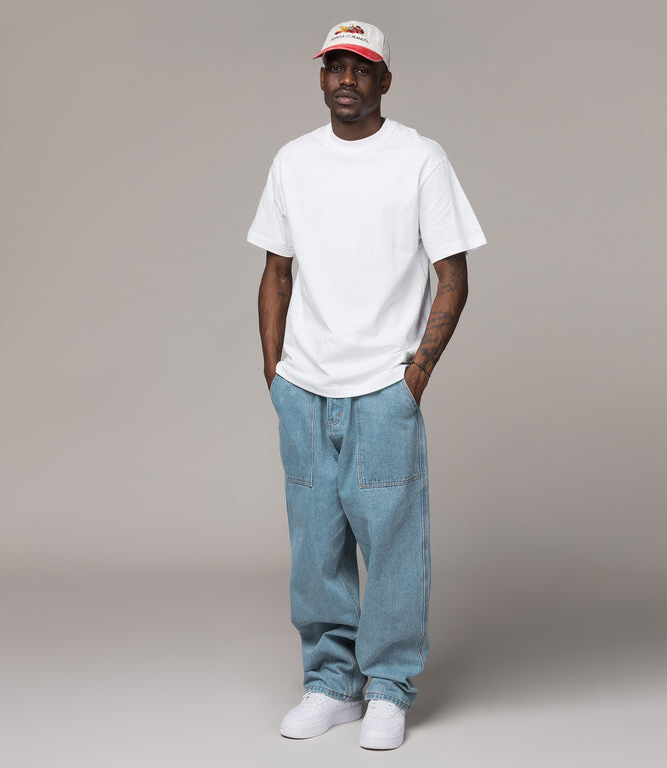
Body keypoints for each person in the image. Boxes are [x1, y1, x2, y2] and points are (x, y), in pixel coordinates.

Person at [248, 20, 486, 750]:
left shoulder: (419, 159)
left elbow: (453, 274)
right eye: (334, 67)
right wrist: (274, 372)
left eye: (360, 68)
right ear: (321, 77)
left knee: (391, 545)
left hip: (384, 387)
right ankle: (330, 684)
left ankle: (387, 689)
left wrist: (414, 377)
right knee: (315, 545)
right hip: (304, 388)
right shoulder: (293, 161)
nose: (345, 80)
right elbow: (276, 270)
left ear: (385, 80)